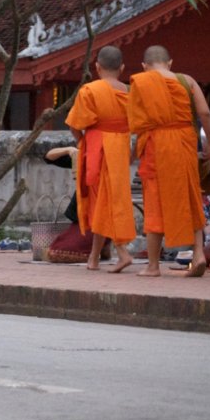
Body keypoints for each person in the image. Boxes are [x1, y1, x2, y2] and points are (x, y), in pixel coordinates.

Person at [127, 45, 210, 277]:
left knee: (155, 202)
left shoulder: (141, 83)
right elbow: (205, 113)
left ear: (144, 66)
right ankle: (197, 255)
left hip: (156, 145)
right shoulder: (186, 80)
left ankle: (153, 266)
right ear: (171, 63)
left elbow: (139, 126)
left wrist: (133, 154)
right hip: (185, 142)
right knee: (189, 196)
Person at [65, 45, 135, 273]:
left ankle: (122, 253)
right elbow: (136, 124)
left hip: (98, 147)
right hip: (121, 148)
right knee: (109, 201)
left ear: (97, 67)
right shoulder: (129, 92)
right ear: (122, 68)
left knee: (102, 203)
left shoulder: (89, 90)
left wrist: (83, 142)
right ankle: (93, 258)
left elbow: (76, 125)